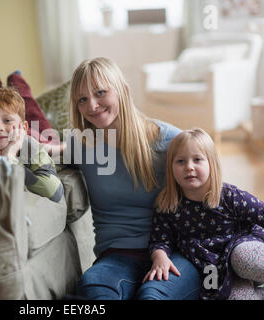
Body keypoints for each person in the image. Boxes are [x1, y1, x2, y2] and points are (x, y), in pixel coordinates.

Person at [64, 57, 201, 300]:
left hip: (176, 253)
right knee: (94, 292)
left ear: (123, 91)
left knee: (152, 297)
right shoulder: (81, 143)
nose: (92, 105)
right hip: (116, 257)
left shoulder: (169, 141)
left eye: (100, 93)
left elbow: (216, 194)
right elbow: (38, 152)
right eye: (82, 99)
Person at [144, 127, 264, 300]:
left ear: (211, 164)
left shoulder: (229, 196)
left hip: (244, 248)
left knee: (243, 259)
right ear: (171, 167)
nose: (189, 167)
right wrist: (159, 256)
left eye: (197, 159)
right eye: (180, 161)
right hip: (217, 269)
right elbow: (160, 239)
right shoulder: (167, 204)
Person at [0, 84, 63, 203]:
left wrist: (9, 158)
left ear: (24, 127)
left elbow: (54, 192)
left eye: (7, 120)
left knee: (46, 134)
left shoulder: (30, 147)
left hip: (42, 142)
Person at [0, 71, 66, 156]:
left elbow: (57, 149)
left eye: (7, 120)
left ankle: (15, 79)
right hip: (28, 131)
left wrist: (63, 147)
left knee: (31, 109)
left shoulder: (32, 145)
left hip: (40, 138)